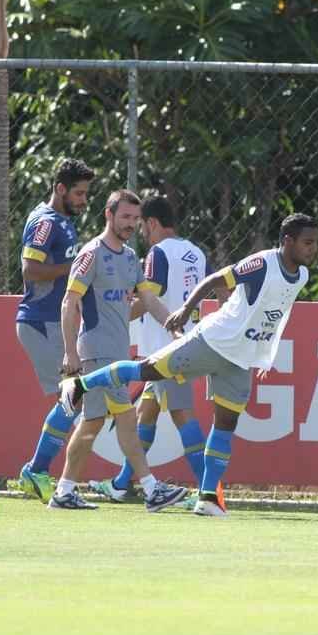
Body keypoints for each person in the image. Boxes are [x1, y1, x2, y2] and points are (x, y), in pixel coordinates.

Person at [58, 212, 318, 518]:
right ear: (288, 241)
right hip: (212, 341)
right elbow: (216, 279)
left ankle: (207, 498)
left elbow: (275, 315)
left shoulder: (301, 276)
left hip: (240, 358)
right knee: (148, 370)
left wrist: (265, 353)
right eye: (307, 242)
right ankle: (79, 385)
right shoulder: (263, 263)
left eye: (315, 243)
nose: (313, 249)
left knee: (225, 424)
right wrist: (185, 309)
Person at [47, 190, 188, 511]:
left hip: (117, 354)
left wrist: (175, 328)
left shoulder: (128, 258)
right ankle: (152, 489)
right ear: (108, 215)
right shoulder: (91, 253)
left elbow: (149, 300)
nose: (130, 224)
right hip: (97, 353)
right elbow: (69, 302)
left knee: (92, 422)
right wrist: (71, 353)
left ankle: (65, 490)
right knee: (125, 418)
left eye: (135, 219)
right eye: (125, 217)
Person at [90, 195, 213, 502]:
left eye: (142, 224)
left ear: (153, 223)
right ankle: (121, 484)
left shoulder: (157, 253)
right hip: (184, 343)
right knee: (146, 414)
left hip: (167, 350)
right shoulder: (196, 252)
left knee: (183, 414)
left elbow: (148, 299)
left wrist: (112, 314)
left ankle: (209, 491)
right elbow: (220, 288)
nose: (140, 230)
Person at [16, 159, 94, 503]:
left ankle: (39, 470)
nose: (83, 200)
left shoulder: (62, 221)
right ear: (60, 189)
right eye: (78, 193)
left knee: (75, 398)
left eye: (86, 194)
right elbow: (31, 270)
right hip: (40, 321)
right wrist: (77, 270)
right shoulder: (45, 224)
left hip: (51, 322)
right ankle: (37, 469)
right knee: (74, 396)